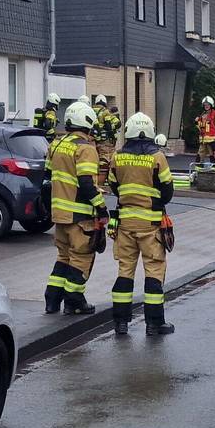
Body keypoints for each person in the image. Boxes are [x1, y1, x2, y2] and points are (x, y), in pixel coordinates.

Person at [107, 112, 176, 336]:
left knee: (125, 270)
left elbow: (113, 185)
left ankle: (120, 323)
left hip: (125, 224)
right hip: (150, 225)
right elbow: (167, 191)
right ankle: (154, 324)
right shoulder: (157, 157)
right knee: (154, 271)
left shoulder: (117, 157)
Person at [42, 101, 108, 315]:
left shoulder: (56, 144)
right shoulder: (85, 148)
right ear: (87, 122)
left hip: (60, 214)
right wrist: (101, 208)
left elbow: (47, 178)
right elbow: (86, 184)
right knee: (81, 257)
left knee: (63, 256)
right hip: (80, 215)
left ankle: (52, 301)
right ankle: (74, 301)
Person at [93, 95, 121, 189]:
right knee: (105, 160)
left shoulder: (91, 110)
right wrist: (112, 136)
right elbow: (109, 125)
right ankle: (101, 184)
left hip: (93, 140)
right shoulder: (105, 112)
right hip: (105, 141)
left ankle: (97, 182)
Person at [195, 95, 215, 164]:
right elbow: (200, 128)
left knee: (213, 155)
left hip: (212, 140)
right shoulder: (202, 115)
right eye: (205, 105)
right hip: (203, 140)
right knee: (200, 155)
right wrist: (196, 123)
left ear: (211, 105)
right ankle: (199, 168)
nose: (206, 106)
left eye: (208, 104)